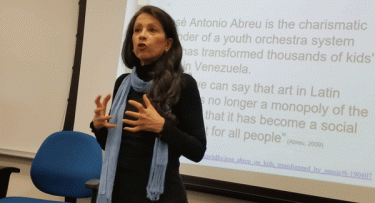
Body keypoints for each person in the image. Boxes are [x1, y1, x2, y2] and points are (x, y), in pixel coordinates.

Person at [90, 5, 206, 203]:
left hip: (162, 196)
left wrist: (161, 127)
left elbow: (197, 151)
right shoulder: (123, 84)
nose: (142, 35)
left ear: (168, 43)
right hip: (119, 194)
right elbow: (110, 146)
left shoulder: (183, 84)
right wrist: (98, 127)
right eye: (137, 30)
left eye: (152, 30)